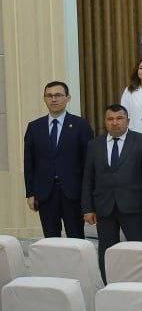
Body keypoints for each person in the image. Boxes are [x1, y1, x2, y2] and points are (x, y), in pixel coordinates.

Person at [82, 104, 142, 275]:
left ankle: (139, 283)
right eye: (110, 119)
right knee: (106, 251)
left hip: (134, 207)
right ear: (105, 122)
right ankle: (108, 283)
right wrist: (87, 208)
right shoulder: (94, 145)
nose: (115, 122)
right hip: (104, 207)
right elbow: (88, 178)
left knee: (139, 251)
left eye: (119, 118)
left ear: (128, 121)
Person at [23, 80, 93, 239]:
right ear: (44, 99)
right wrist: (30, 193)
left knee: (76, 239)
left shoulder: (81, 125)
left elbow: (88, 163)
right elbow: (29, 163)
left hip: (73, 193)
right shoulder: (34, 127)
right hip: (45, 194)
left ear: (68, 98)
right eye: (49, 96)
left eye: (58, 95)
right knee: (50, 239)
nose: (53, 99)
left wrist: (87, 197)